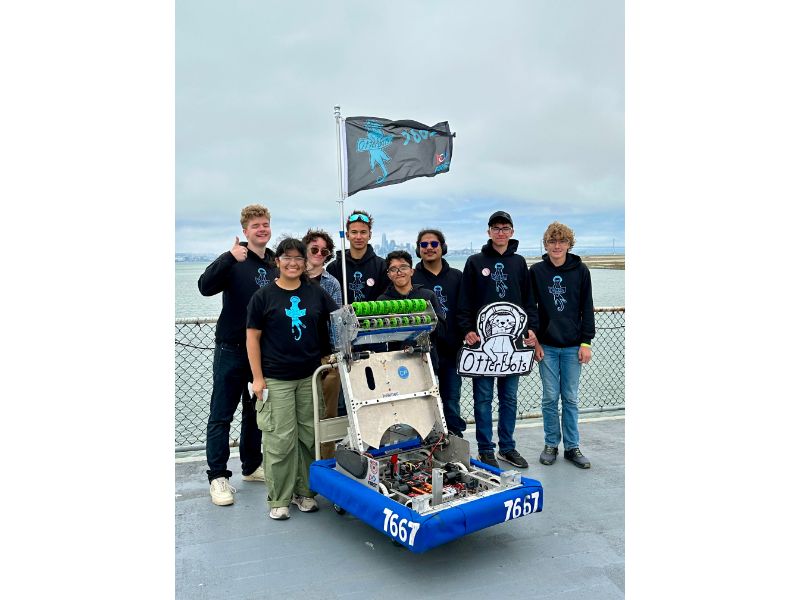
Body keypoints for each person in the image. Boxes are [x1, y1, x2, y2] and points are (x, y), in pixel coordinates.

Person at [246, 238, 339, 520]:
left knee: (310, 437)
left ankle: (305, 492)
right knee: (280, 439)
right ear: (277, 261)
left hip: (309, 377)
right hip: (277, 378)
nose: (293, 263)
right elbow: (252, 337)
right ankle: (280, 497)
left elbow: (338, 320)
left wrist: (334, 354)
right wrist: (258, 379)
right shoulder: (263, 296)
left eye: (298, 258)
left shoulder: (316, 293)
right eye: (286, 257)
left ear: (305, 262)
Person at [197, 204, 276, 506]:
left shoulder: (273, 263)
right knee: (221, 414)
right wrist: (228, 257)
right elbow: (204, 286)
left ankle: (251, 465)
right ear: (245, 230)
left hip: (262, 351)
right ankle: (218, 476)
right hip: (231, 347)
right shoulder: (235, 258)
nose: (262, 229)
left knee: (255, 411)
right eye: (256, 225)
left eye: (266, 224)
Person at [456, 211, 538, 469]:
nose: (500, 232)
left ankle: (507, 447)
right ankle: (485, 448)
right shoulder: (474, 261)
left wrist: (531, 329)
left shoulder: (519, 262)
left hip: (513, 345)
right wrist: (467, 328)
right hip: (483, 345)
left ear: (512, 232)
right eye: (496, 228)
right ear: (488, 231)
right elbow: (464, 301)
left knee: (509, 398)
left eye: (505, 228)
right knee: (482, 398)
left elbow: (528, 301)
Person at [530, 222, 595, 469]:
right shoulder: (536, 271)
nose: (557, 246)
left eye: (562, 241)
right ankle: (550, 444)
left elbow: (586, 307)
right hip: (546, 345)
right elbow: (531, 308)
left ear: (569, 244)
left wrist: (586, 342)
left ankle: (572, 446)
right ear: (546, 244)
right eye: (552, 242)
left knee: (570, 398)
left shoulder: (581, 271)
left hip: (572, 345)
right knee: (549, 397)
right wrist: (534, 339)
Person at [411, 229, 467, 437]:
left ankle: (455, 440)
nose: (429, 248)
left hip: (452, 350)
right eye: (424, 245)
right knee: (423, 400)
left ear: (442, 248)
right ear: (418, 249)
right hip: (423, 353)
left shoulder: (457, 277)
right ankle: (426, 441)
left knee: (451, 399)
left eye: (434, 244)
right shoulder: (413, 277)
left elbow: (464, 309)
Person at [302, 228, 343, 459]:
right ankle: (303, 463)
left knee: (328, 414)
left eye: (324, 251)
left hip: (326, 356)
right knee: (303, 414)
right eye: (314, 249)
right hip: (299, 357)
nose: (318, 254)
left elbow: (336, 321)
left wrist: (336, 356)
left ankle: (325, 461)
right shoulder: (290, 278)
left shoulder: (332, 283)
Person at [378, 250, 446, 367]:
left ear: (411, 271)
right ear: (389, 275)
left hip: (425, 359)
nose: (399, 272)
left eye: (403, 267)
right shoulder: (383, 301)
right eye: (393, 269)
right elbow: (379, 337)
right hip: (395, 362)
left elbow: (442, 330)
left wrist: (424, 319)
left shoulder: (427, 296)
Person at [326, 209, 389, 304]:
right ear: (347, 235)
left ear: (370, 235)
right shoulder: (334, 268)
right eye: (354, 232)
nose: (358, 237)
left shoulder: (382, 266)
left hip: (374, 318)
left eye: (363, 232)